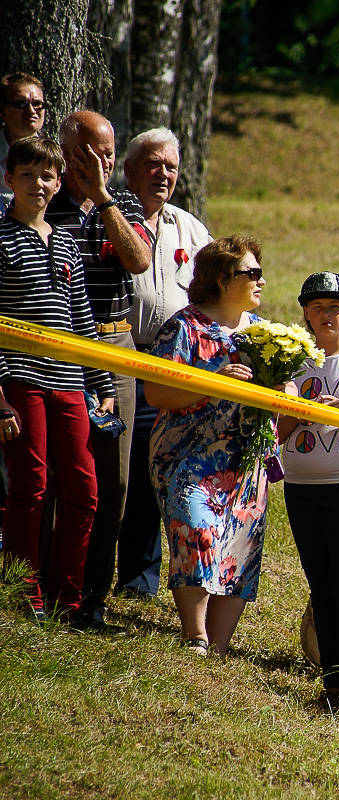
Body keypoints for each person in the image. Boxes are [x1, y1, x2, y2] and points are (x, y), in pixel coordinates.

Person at [143, 235, 283, 657]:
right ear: (223, 279)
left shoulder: (263, 335)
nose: (261, 280)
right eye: (251, 273)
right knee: (198, 533)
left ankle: (218, 649)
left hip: (246, 462)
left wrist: (285, 390)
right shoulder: (184, 328)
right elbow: (156, 393)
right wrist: (214, 380)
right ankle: (195, 637)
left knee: (239, 550)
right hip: (187, 457)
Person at [46, 110, 152, 633]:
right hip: (58, 347)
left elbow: (138, 261)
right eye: (92, 152)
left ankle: (93, 596)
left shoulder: (123, 202)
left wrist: (104, 197)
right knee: (57, 476)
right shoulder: (44, 201)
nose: (102, 162)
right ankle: (46, 585)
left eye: (110, 153)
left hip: (115, 341)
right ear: (68, 152)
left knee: (114, 483)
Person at [0, 136, 114, 624]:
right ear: (9, 180)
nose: (38, 184)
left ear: (59, 182)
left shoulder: (66, 240)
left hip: (70, 380)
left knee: (84, 490)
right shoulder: (0, 239)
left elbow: (81, 318)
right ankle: (24, 595)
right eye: (27, 175)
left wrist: (102, 382)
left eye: (47, 176)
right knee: (31, 486)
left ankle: (68, 596)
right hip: (19, 378)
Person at [115, 127, 212, 599]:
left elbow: (216, 291)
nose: (164, 173)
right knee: (122, 470)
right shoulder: (107, 219)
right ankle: (109, 571)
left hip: (176, 365)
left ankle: (141, 580)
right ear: (128, 169)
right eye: (153, 163)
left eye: (171, 166)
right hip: (120, 360)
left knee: (164, 469)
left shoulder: (190, 228)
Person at [278, 272, 339, 713]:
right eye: (316, 308)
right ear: (306, 315)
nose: (325, 314)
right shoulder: (291, 361)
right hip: (301, 488)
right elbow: (274, 432)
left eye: (334, 306)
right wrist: (302, 410)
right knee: (323, 585)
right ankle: (334, 680)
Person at [0, 73, 46, 210]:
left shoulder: (56, 159)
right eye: (21, 104)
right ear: (2, 109)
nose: (31, 111)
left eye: (37, 104)